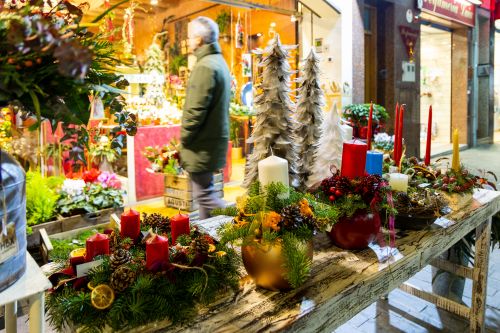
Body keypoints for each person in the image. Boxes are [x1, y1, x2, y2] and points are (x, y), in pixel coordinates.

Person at [180, 16, 230, 220]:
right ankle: (209, 241)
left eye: (190, 37)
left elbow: (195, 111)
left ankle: (241, 219)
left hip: (201, 144)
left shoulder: (205, 67)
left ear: (199, 39)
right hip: (211, 141)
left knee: (206, 196)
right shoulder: (217, 62)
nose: (188, 41)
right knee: (205, 195)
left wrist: (184, 138)